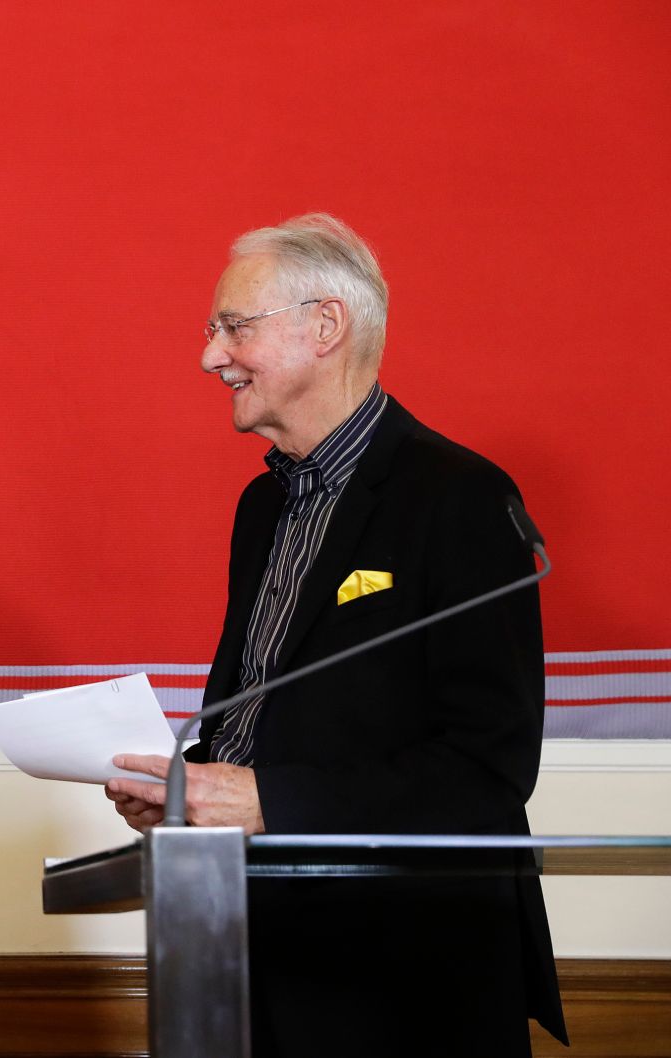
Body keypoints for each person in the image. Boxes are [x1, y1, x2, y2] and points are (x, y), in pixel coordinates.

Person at [105, 214, 567, 1055]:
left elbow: (486, 772)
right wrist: (192, 794)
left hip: (403, 979)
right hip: (249, 946)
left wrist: (267, 802)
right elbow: (260, 720)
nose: (211, 356)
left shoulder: (457, 499)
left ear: (325, 327)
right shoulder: (262, 508)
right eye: (213, 331)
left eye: (233, 327)